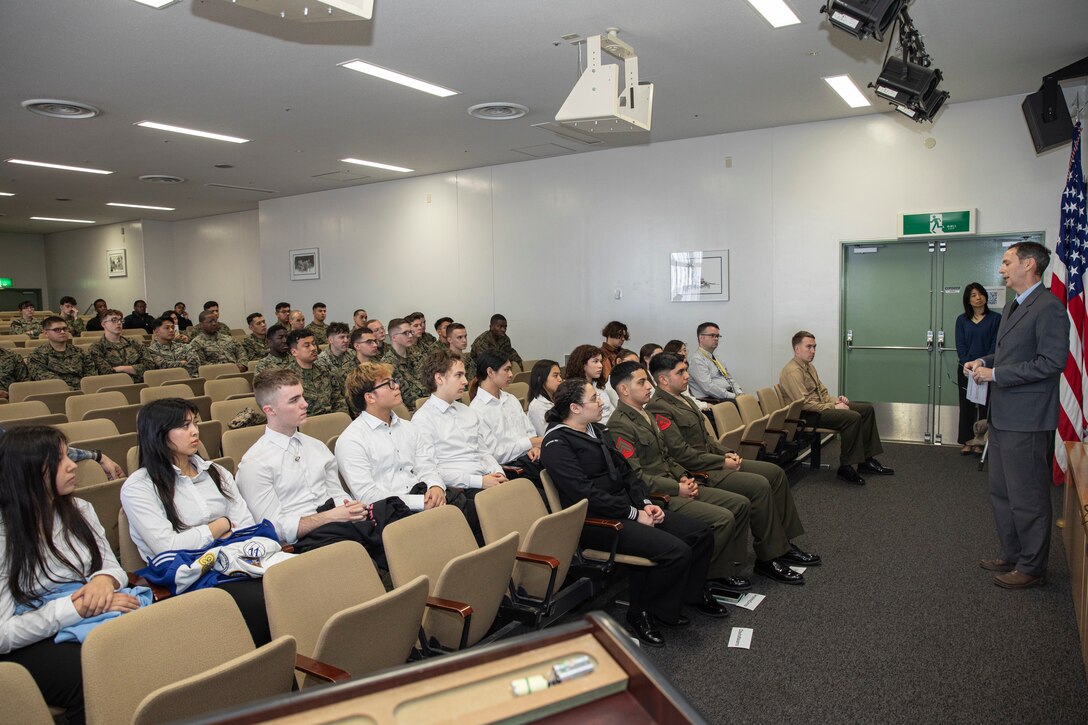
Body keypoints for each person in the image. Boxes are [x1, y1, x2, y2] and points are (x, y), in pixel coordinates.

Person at [540, 378, 726, 647]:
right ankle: (641, 612)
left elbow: (627, 473)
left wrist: (645, 503)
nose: (601, 401)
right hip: (595, 522)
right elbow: (586, 494)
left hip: (626, 509)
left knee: (700, 533)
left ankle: (685, 598)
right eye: (594, 399)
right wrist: (632, 513)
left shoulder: (597, 431)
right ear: (575, 408)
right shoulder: (557, 443)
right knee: (675, 551)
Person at [0, 427, 142, 724]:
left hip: (86, 611)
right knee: (95, 676)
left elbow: (111, 565)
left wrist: (104, 581)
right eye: (59, 458)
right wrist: (76, 609)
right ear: (27, 470)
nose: (73, 465)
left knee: (150, 644)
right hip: (29, 638)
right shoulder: (4, 533)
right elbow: (3, 634)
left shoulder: (80, 508)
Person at [646, 353, 818, 583]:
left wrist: (724, 452)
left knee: (775, 473)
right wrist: (720, 462)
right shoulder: (660, 407)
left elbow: (707, 440)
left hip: (712, 460)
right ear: (663, 379)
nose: (687, 376)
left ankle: (782, 545)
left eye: (686, 370)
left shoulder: (682, 398)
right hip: (700, 470)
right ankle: (768, 557)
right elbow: (681, 454)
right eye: (680, 372)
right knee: (758, 485)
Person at [120, 398, 271, 644]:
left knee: (292, 580)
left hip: (238, 559)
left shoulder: (216, 472)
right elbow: (168, 547)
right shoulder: (140, 487)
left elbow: (245, 524)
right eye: (184, 426)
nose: (195, 431)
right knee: (259, 599)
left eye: (195, 423)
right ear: (158, 434)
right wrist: (219, 526)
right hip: (191, 575)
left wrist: (218, 534)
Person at [966, 241, 1068, 589]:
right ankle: (1013, 553)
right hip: (1004, 416)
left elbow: (1051, 362)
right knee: (1002, 492)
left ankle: (1032, 566)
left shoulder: (1049, 307)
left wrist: (996, 375)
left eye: (1007, 262)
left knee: (1028, 497)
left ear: (1029, 265)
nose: (1001, 269)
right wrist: (985, 361)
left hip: (1027, 419)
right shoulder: (1014, 306)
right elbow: (1008, 354)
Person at [607, 361, 752, 593]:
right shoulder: (620, 425)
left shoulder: (645, 414)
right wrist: (676, 487)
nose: (649, 387)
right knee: (723, 518)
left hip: (675, 484)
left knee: (740, 504)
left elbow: (667, 457)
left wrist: (683, 476)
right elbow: (636, 476)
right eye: (642, 382)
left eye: (648, 381)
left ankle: (723, 567)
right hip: (657, 495)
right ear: (624, 390)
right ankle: (707, 579)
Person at [236, 370, 369, 548]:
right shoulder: (254, 463)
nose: (305, 404)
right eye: (294, 400)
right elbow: (273, 528)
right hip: (302, 545)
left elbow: (336, 494)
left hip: (342, 529)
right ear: (270, 410)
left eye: (302, 396)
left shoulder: (317, 446)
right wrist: (332, 516)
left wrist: (350, 508)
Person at [779, 331, 894, 485]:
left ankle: (866, 460)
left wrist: (838, 401)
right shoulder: (792, 371)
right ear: (797, 349)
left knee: (866, 409)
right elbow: (804, 403)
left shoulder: (809, 367)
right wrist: (833, 406)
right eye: (809, 347)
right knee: (851, 417)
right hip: (805, 415)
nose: (813, 351)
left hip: (818, 409)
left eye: (814, 347)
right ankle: (845, 467)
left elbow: (822, 393)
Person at [336, 363, 446, 510]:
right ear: (370, 397)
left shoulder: (409, 427)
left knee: (468, 507)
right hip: (390, 510)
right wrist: (420, 503)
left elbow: (426, 466)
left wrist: (436, 486)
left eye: (394, 381)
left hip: (423, 495)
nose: (396, 386)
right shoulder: (351, 440)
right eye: (388, 384)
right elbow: (367, 495)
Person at [470, 351, 543, 479]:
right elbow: (494, 454)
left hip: (530, 456)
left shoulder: (510, 399)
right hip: (511, 466)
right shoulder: (477, 410)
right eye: (507, 370)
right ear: (490, 372)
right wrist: (529, 443)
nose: (511, 374)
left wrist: (534, 447)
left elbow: (529, 430)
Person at [955, 283, 1000, 454]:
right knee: (966, 406)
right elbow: (961, 346)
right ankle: (966, 440)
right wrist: (968, 364)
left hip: (987, 370)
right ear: (968, 299)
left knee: (984, 405)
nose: (978, 298)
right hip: (966, 369)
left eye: (981, 294)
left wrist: (983, 363)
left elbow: (994, 346)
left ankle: (980, 442)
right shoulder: (962, 320)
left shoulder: (995, 319)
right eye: (973, 295)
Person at [287, 329, 347, 416]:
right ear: (294, 352)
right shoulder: (288, 378)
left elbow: (338, 399)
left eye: (314, 344)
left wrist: (341, 418)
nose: (313, 348)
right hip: (307, 424)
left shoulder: (324, 370)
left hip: (332, 420)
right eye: (307, 345)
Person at [27, 316, 96, 390]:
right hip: (57, 393)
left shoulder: (80, 352)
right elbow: (48, 381)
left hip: (84, 391)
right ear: (46, 333)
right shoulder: (37, 355)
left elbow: (91, 375)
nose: (63, 332)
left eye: (65, 329)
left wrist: (86, 389)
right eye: (57, 330)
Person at [88, 308, 155, 382]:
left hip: (140, 384)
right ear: (104, 324)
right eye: (114, 320)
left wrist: (122, 368)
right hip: (114, 386)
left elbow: (150, 366)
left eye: (121, 320)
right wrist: (136, 370)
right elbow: (106, 373)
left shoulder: (134, 342)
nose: (119, 323)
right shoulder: (96, 347)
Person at [379, 318, 427, 412]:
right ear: (394, 337)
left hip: (427, 403)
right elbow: (405, 396)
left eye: (410, 332)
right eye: (405, 333)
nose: (410, 336)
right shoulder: (387, 364)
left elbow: (429, 380)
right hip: (409, 410)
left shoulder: (417, 354)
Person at [688, 322, 742, 402]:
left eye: (717, 336)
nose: (716, 338)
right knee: (747, 406)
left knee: (749, 401)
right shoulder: (696, 359)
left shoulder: (716, 358)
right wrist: (734, 396)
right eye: (712, 335)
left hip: (727, 395)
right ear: (701, 338)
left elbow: (729, 378)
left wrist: (739, 392)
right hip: (713, 399)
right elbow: (708, 388)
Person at [565, 345, 615, 423]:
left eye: (600, 361)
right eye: (595, 361)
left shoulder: (600, 388)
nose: (601, 366)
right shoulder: (571, 391)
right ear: (582, 364)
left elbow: (611, 414)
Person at [527, 359, 562, 436]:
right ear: (540, 379)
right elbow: (546, 435)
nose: (560, 379)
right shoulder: (537, 406)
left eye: (560, 375)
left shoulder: (557, 399)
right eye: (555, 375)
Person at [316, 322, 355, 390]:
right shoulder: (321, 360)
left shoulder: (352, 353)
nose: (346, 340)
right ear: (331, 340)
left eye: (347, 337)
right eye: (342, 337)